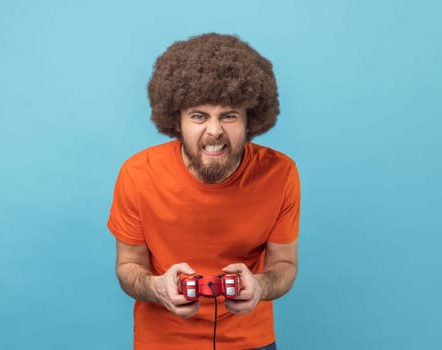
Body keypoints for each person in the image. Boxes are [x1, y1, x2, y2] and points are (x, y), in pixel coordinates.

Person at [107, 33, 301, 350]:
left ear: (249, 120)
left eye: (228, 115)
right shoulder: (138, 174)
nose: (214, 131)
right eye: (199, 116)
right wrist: (157, 287)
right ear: (177, 120)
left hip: (250, 341)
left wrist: (260, 285)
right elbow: (128, 265)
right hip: (163, 341)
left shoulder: (280, 174)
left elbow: (285, 266)